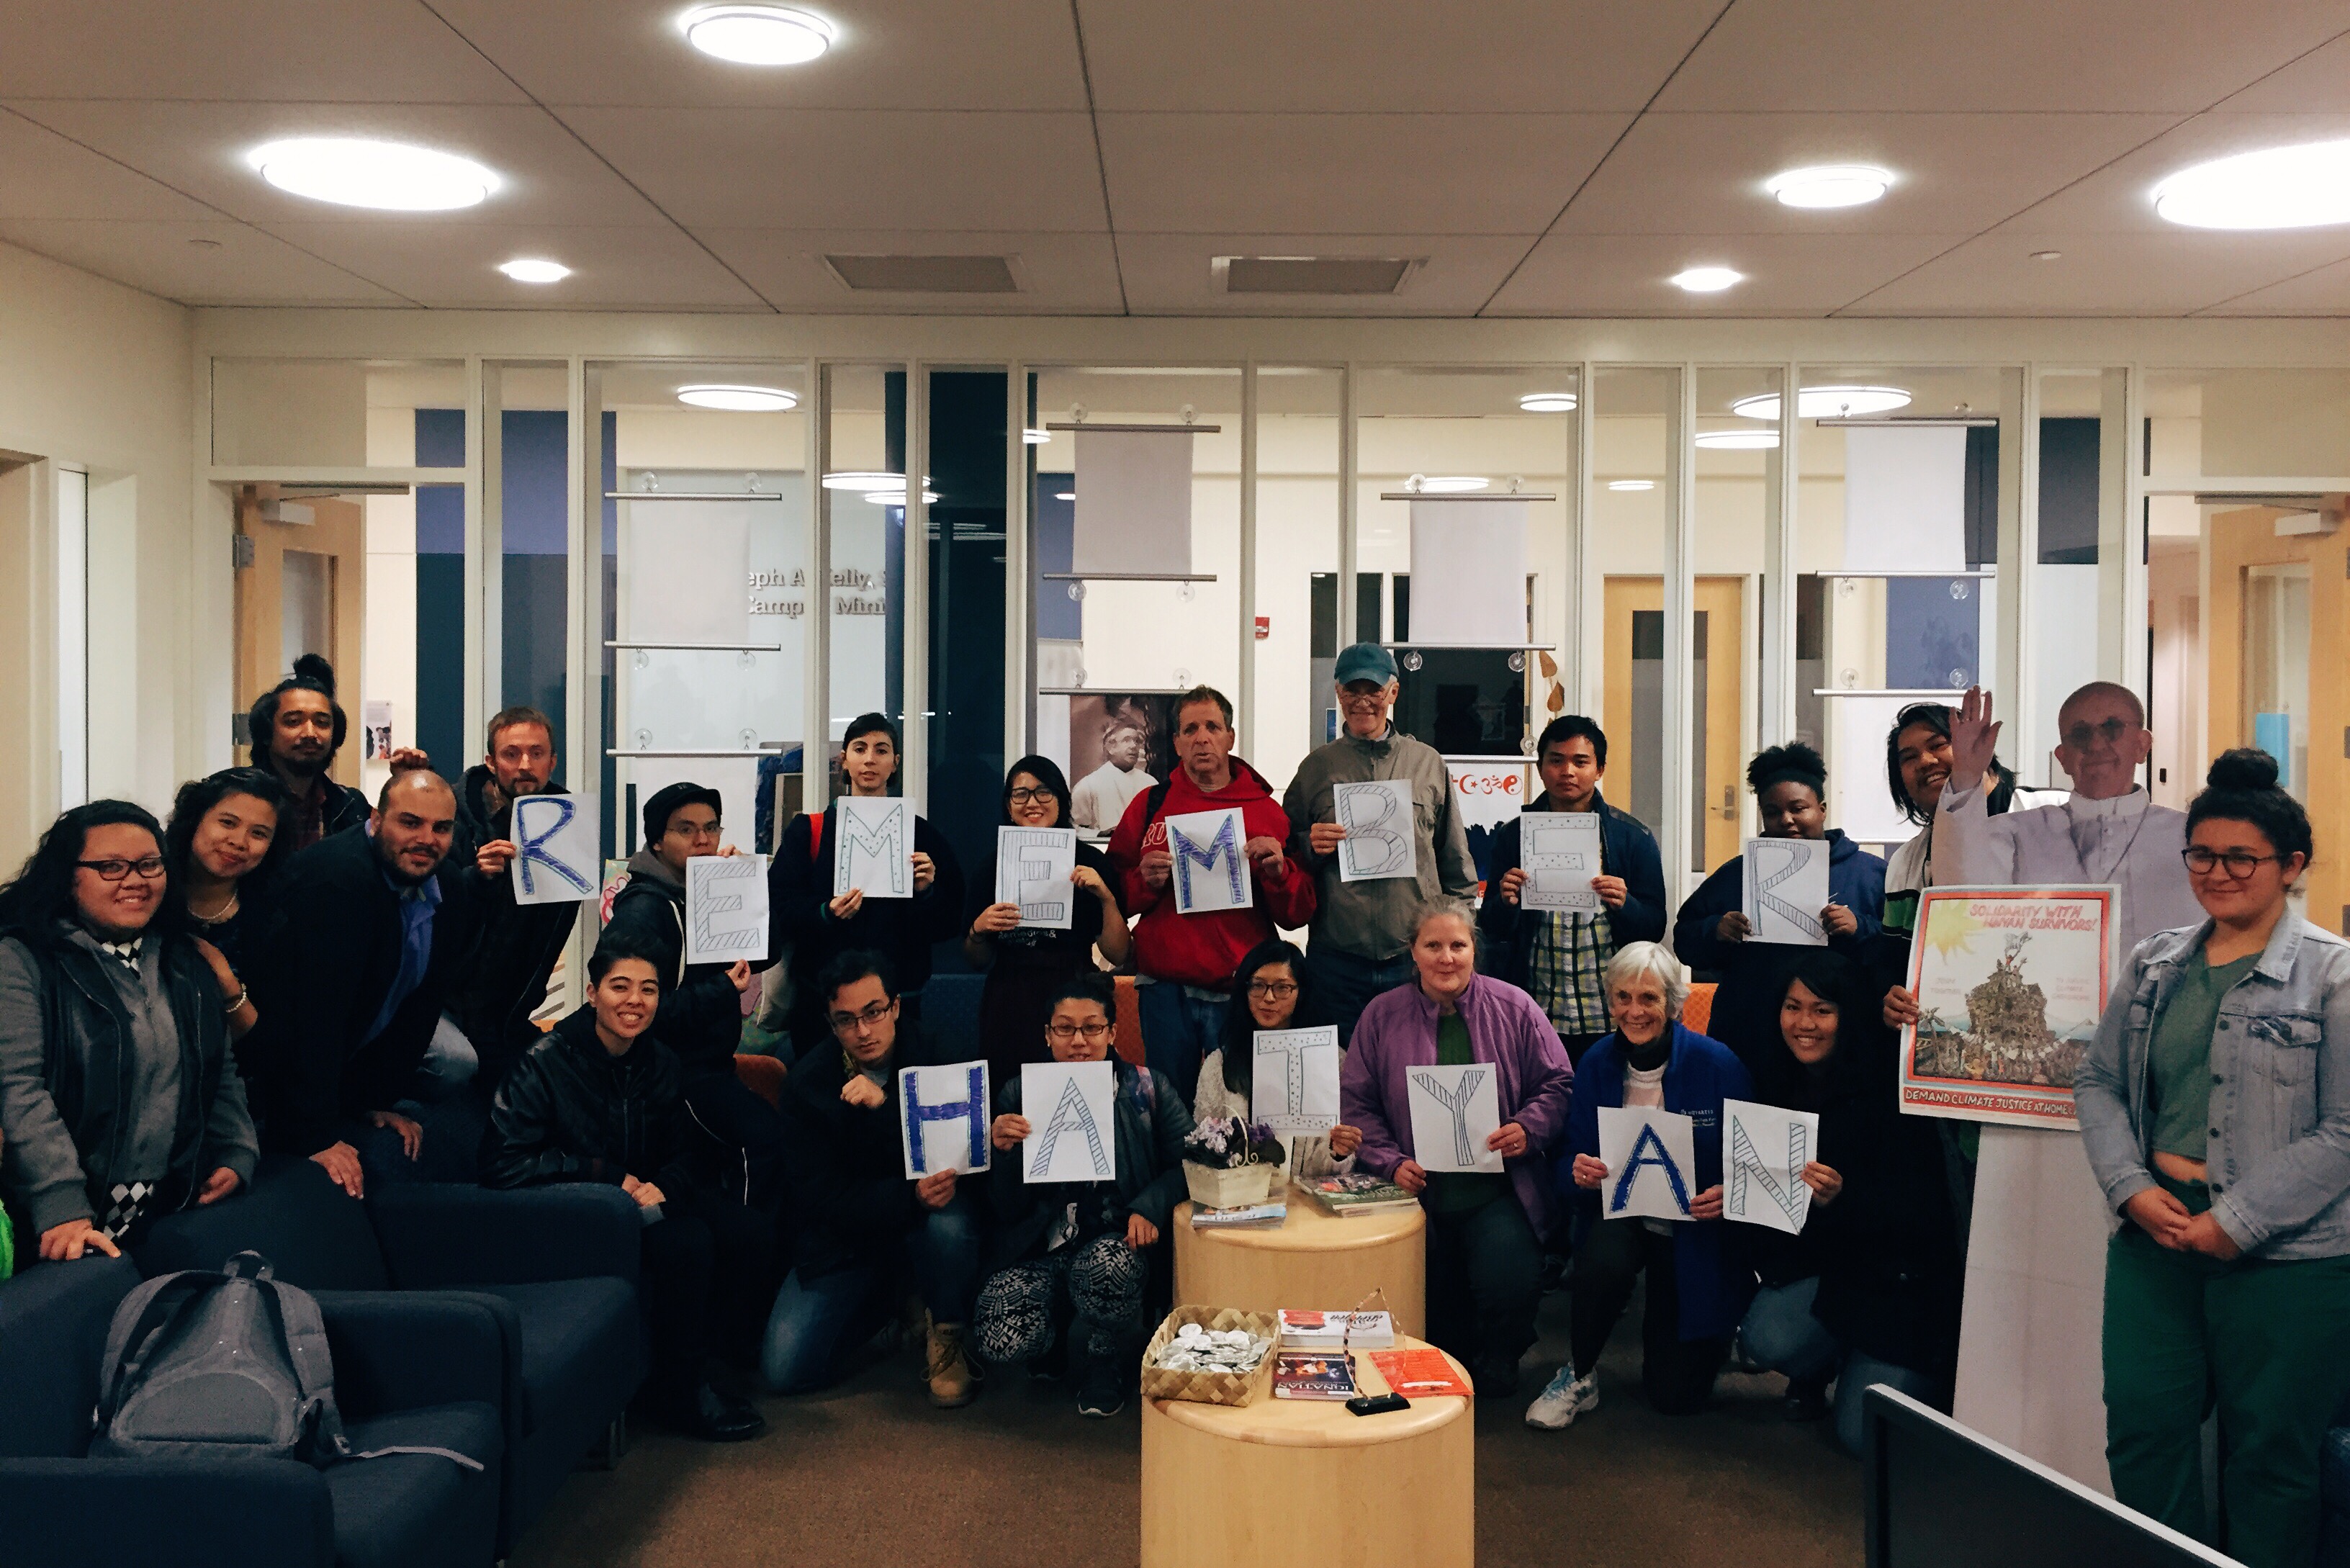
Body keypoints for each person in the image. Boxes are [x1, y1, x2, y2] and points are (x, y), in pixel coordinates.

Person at [2074, 749, 2350, 1568]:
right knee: (2143, 1433)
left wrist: (2238, 1220)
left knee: (2270, 1459)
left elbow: (2345, 1129)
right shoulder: (2157, 963)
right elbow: (2098, 1081)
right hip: (2155, 1233)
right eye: (2202, 854)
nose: (2217, 874)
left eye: (2241, 858)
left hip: (2290, 1256)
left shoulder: (2333, 975)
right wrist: (2129, 1187)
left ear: (2291, 865)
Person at [482, 941, 770, 1441]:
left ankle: (713, 1365)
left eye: (649, 990)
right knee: (688, 1244)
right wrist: (606, 1175)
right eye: (620, 987)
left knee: (748, 1231)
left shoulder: (660, 1061)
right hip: (579, 1211)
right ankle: (679, 1394)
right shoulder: (544, 1063)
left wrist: (665, 1185)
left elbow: (688, 1152)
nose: (635, 1000)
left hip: (645, 1198)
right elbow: (503, 1163)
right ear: (592, 993)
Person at [0, 801, 258, 1261]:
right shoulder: (21, 960)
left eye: (149, 865)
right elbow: (19, 1090)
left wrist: (237, 1150)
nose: (135, 880)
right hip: (55, 1219)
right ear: (67, 876)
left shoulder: (186, 959)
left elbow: (218, 1069)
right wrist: (59, 1203)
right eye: (111, 867)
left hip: (166, 1209)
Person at [1729, 952, 1963, 1456]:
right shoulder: (1771, 1081)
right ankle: (1830, 1363)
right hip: (1833, 1273)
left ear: (1848, 1012)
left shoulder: (1890, 1086)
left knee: (1861, 1437)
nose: (1804, 1023)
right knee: (1765, 1338)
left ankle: (1924, 1377)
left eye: (1822, 1010)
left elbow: (1921, 1218)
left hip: (1899, 1287)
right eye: (1793, 1007)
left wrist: (1843, 1199)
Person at [239, 771, 510, 1198]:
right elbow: (312, 1020)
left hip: (353, 1037)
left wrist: (372, 1104)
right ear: (376, 819)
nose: (426, 839)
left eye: (441, 828)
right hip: (269, 1060)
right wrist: (314, 1136)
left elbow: (418, 1009)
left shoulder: (448, 887)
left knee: (452, 1057)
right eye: (410, 823)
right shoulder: (334, 884)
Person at [1340, 900, 1574, 1394]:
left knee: (1511, 1283)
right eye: (1433, 945)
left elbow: (1558, 1084)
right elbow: (1357, 1102)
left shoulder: (1515, 1007)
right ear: (1413, 952)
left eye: (1457, 945)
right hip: (1412, 1195)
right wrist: (1390, 1161)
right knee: (1435, 1316)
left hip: (1496, 1191)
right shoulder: (1381, 1016)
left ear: (1474, 951)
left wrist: (1527, 1128)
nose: (1446, 958)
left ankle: (1500, 1357)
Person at [1526, 942, 1751, 1429]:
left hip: (1692, 1229)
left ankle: (1714, 1333)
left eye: (1649, 998)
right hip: (1620, 1215)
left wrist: (1729, 1193)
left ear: (1673, 1003)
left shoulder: (1718, 1065)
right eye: (1623, 997)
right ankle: (1579, 1372)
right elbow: (1567, 1160)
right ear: (1610, 1001)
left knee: (1675, 1397)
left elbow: (1749, 1162)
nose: (1634, 1011)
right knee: (1601, 1261)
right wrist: (1578, 1173)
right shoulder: (1596, 1063)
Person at [763, 952, 984, 1409]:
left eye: (874, 1013)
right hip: (848, 1238)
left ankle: (947, 1330)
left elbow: (965, 1159)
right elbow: (821, 1199)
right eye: (846, 1020)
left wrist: (886, 1107)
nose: (863, 1031)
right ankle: (895, 1303)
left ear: (896, 1007)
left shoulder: (942, 1054)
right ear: (830, 1024)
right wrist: (907, 1196)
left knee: (949, 1223)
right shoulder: (808, 1084)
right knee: (785, 1370)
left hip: (930, 1218)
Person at [978, 973, 1194, 1418]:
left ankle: (1103, 1355)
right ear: (1047, 1034)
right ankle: (1053, 1333)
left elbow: (1191, 1163)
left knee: (1107, 1266)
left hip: (1117, 1240)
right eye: (1065, 1028)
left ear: (1112, 1033)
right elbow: (1004, 1206)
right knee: (1000, 1334)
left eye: (1092, 1027)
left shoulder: (1147, 1088)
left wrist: (1148, 1207)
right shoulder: (1019, 1093)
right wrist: (1002, 1154)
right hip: (1045, 1243)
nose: (1079, 1041)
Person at [1108, 685, 1314, 1092]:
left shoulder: (1267, 812)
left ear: (1230, 737)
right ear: (1177, 743)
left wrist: (1279, 875)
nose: (1202, 738)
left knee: (1239, 1104)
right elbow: (1114, 897)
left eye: (1212, 727)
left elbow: (1298, 914)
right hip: (1164, 989)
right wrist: (1143, 882)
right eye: (1190, 729)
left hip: (1240, 989)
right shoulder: (1150, 805)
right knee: (1170, 1108)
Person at [1284, 642, 1477, 1048]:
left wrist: (1460, 944)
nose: (1362, 702)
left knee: (1414, 1064)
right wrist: (1309, 845)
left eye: (1373, 690)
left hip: (1411, 957)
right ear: (1338, 693)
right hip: (1337, 960)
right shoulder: (1315, 769)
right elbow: (1287, 862)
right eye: (1352, 691)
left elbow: (1454, 861)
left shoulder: (1427, 764)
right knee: (1341, 1070)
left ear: (1393, 692)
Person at [603, 782, 785, 1208]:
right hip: (670, 1074)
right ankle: (749, 1246)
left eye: (711, 828)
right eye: (686, 829)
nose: (703, 840)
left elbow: (766, 954)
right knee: (760, 1138)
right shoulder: (645, 909)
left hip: (709, 1065)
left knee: (761, 1138)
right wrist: (721, 990)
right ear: (657, 841)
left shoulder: (698, 893)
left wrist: (747, 890)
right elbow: (634, 1012)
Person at [1670, 743, 1886, 1074]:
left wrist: (1861, 927)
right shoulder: (1737, 875)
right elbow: (1684, 941)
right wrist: (1716, 930)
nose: (1786, 820)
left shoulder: (1870, 875)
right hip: (1751, 1045)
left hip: (1843, 1055)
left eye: (1798, 809)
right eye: (1772, 812)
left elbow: (1902, 953)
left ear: (1822, 810)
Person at [769, 713, 965, 1059]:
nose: (870, 759)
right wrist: (825, 911)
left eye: (881, 750)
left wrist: (926, 892)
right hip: (823, 1004)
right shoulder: (809, 831)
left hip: (899, 1004)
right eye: (860, 749)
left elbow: (949, 923)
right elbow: (777, 908)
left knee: (895, 1088)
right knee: (821, 1087)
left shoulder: (922, 835)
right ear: (844, 759)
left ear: (895, 763)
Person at [1478, 713, 1668, 1065]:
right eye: (1556, 760)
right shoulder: (1513, 835)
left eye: (1581, 762)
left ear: (1599, 770)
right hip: (1537, 1009)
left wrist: (1626, 904)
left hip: (1609, 1012)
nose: (1567, 771)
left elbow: (1655, 927)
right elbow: (1490, 927)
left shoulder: (1633, 837)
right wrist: (1506, 902)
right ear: (1540, 768)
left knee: (1606, 1096)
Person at [963, 756, 1131, 1089]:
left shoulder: (1091, 863)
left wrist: (1105, 897)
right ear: (1008, 805)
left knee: (1076, 1093)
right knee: (1009, 1095)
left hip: (1075, 994)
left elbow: (1119, 953)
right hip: (1010, 996)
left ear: (1061, 800)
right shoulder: (991, 866)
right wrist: (978, 929)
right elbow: (975, 960)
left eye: (1044, 792)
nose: (1032, 803)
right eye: (1020, 794)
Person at [446, 706, 580, 1095]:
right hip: (449, 1003)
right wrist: (475, 877)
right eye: (511, 754)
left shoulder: (568, 822)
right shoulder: (454, 817)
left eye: (537, 754)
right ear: (490, 762)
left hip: (514, 1010)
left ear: (552, 762)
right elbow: (427, 906)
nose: (525, 765)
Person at [1195, 940, 1363, 1180]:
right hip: (1240, 1193)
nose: (1269, 998)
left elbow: (1334, 1162)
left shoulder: (1332, 1060)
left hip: (1309, 1193)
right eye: (1258, 986)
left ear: (1301, 992)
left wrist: (1338, 1152)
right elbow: (1204, 1147)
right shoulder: (1220, 1063)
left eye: (1282, 988)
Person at [163, 765, 293, 1043]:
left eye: (259, 834)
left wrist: (228, 985)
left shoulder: (280, 916)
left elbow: (274, 1037)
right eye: (227, 823)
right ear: (195, 819)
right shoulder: (148, 894)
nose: (239, 842)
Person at [246, 654, 412, 852]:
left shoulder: (350, 806)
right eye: (293, 722)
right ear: (267, 732)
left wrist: (405, 782)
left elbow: (392, 854)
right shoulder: (236, 799)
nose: (310, 733)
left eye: (322, 723)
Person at [1069, 718, 1155, 834]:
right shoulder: (1088, 785)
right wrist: (1100, 834)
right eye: (1126, 740)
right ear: (1111, 747)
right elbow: (1074, 828)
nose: (1134, 746)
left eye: (1137, 741)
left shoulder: (1150, 783)